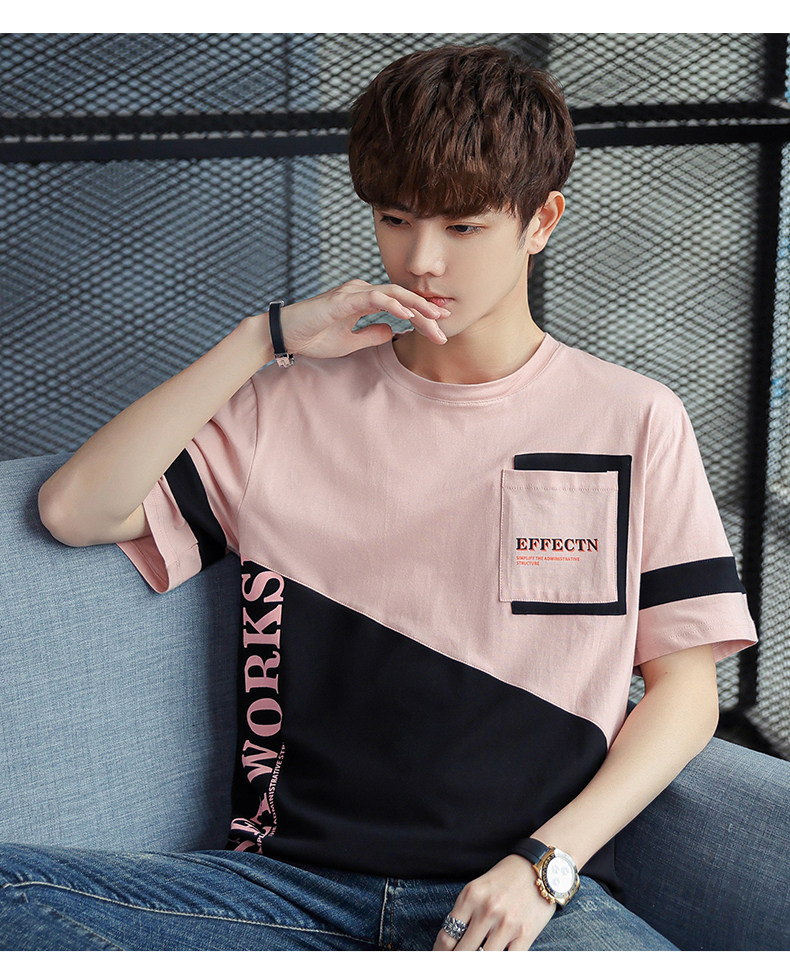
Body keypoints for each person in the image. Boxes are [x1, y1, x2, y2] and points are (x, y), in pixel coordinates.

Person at [1, 44, 756, 952]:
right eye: (396, 218)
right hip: (284, 894)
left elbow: (686, 690)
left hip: (521, 899)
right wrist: (264, 337)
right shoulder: (286, 405)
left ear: (542, 221)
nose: (422, 259)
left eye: (464, 226)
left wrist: (546, 864)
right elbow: (75, 508)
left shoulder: (634, 419)